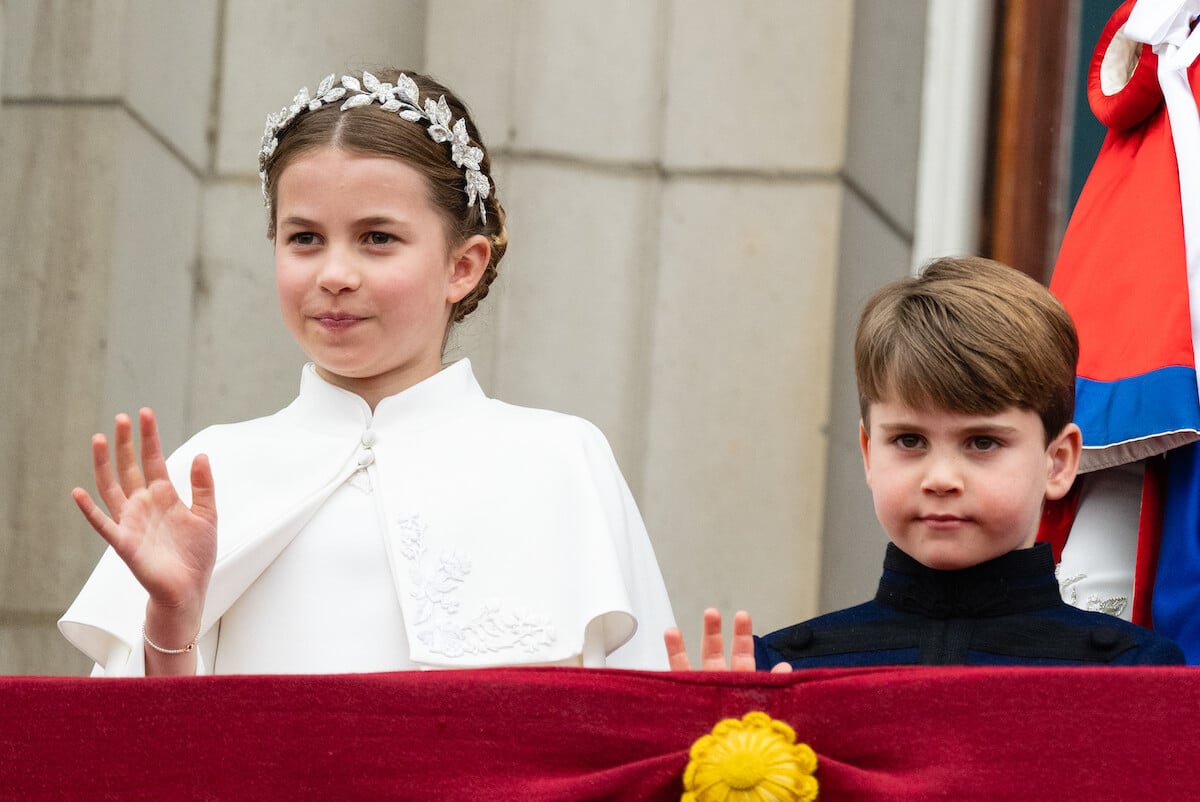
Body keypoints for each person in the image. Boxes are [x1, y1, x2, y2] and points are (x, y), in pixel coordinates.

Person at [60, 68, 676, 676]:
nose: (334, 274)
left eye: (377, 237)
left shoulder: (562, 460)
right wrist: (171, 621)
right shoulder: (210, 473)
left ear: (463, 266)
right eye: (304, 238)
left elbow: (635, 729)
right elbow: (137, 763)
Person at [665, 257, 1184, 670]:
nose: (940, 479)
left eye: (982, 443)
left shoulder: (1132, 674)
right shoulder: (784, 672)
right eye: (910, 440)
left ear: (1059, 462)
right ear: (869, 453)